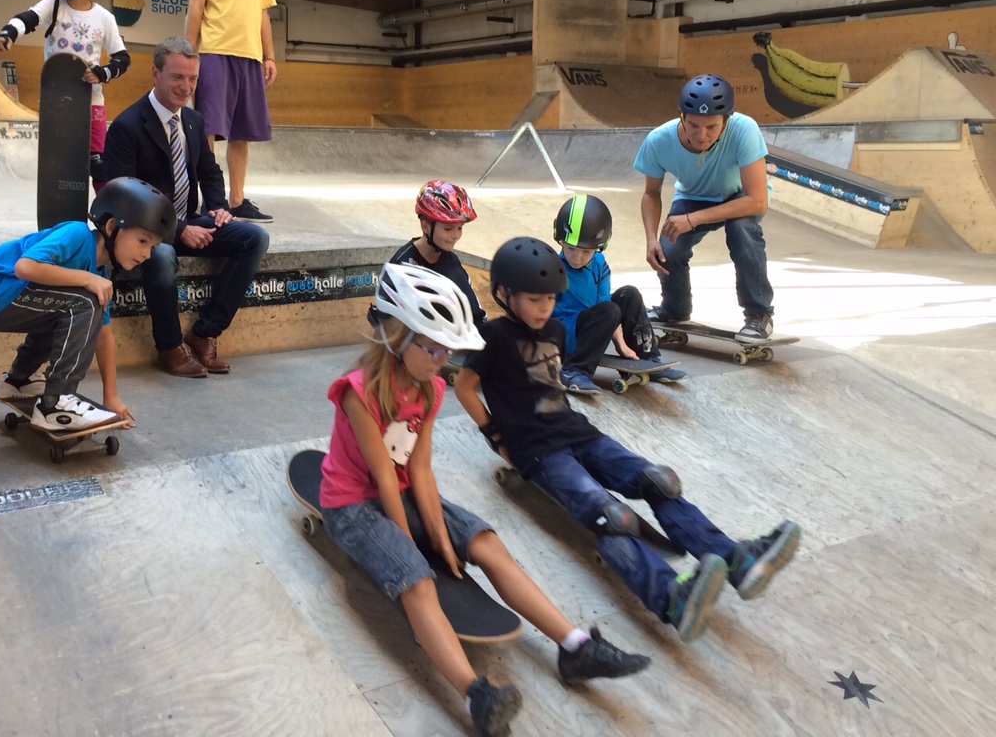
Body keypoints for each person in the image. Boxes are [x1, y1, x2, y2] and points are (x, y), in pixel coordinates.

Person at [319, 262, 650, 736]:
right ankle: (477, 694)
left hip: (407, 490)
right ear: (398, 336)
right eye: (433, 348)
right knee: (418, 580)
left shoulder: (432, 388)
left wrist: (441, 536)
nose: (443, 360)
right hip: (351, 505)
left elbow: (418, 469)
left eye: (447, 350)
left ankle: (576, 647)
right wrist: (418, 548)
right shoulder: (358, 393)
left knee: (486, 544)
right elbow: (383, 480)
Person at [455, 237, 802, 644]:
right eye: (534, 299)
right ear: (503, 294)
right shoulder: (493, 336)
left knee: (660, 482)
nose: (544, 307)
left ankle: (737, 561)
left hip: (579, 432)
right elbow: (464, 388)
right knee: (611, 517)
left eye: (550, 298)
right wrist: (496, 438)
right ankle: (672, 598)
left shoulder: (553, 330)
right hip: (541, 453)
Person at [0, 177, 174, 432]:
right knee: (87, 303)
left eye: (153, 247)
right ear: (111, 227)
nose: (147, 253)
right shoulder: (77, 234)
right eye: (143, 241)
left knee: (78, 307)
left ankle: (19, 380)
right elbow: (25, 267)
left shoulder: (98, 275)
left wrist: (110, 396)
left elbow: (104, 336)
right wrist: (86, 279)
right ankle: (56, 404)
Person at [101, 37, 269, 378]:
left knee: (255, 238)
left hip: (190, 219)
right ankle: (169, 347)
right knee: (161, 257)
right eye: (178, 77)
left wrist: (220, 208)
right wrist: (177, 229)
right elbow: (124, 195)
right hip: (145, 230)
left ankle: (205, 333)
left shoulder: (192, 121)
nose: (186, 86)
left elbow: (209, 171)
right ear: (155, 74)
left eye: (192, 79)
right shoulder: (126, 126)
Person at [634, 74, 775, 341]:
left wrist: (695, 218)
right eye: (694, 125)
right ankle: (674, 309)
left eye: (711, 127)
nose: (702, 135)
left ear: (726, 121)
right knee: (668, 248)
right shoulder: (658, 141)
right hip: (694, 196)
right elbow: (651, 193)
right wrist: (651, 238)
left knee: (741, 232)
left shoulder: (745, 130)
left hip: (740, 196)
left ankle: (759, 315)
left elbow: (758, 200)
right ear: (681, 118)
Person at [0, 0, 130, 190]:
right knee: (61, 164)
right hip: (56, 101)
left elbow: (123, 59)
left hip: (92, 102)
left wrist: (102, 73)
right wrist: (9, 33)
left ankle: (108, 216)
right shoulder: (52, 5)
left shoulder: (104, 18)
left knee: (97, 163)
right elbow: (28, 18)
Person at [183, 0, 277, 223]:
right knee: (206, 129)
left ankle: (236, 201)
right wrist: (188, 56)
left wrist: (269, 55)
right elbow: (196, 6)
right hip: (213, 51)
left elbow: (264, 11)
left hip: (249, 55)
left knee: (242, 132)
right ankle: (212, 198)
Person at [552, 194, 685, 395]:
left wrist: (621, 345)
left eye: (586, 252)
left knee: (628, 294)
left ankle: (647, 356)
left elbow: (605, 306)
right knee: (609, 310)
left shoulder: (599, 265)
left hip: (595, 325)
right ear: (559, 239)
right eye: (570, 248)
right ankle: (575, 370)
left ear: (599, 247)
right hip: (563, 334)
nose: (577, 257)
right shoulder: (550, 265)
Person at [389, 180, 486, 325]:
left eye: (460, 228)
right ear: (425, 227)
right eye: (448, 229)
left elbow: (476, 315)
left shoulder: (452, 262)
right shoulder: (403, 265)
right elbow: (389, 327)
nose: (455, 235)